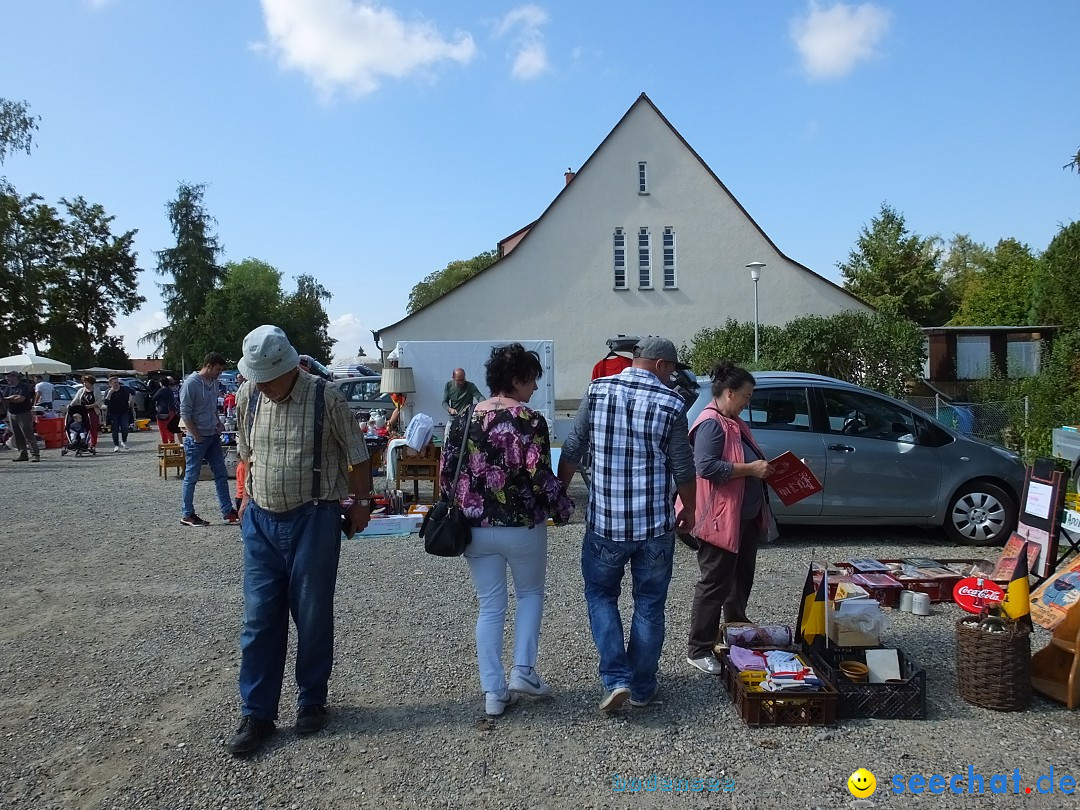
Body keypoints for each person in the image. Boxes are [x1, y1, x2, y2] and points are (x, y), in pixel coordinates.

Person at [226, 325, 371, 756]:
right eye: (258, 378)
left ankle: (311, 701)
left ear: (290, 367)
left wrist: (361, 503)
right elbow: (245, 451)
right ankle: (257, 713)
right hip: (261, 522)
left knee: (311, 615)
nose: (264, 385)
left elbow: (358, 456)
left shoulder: (327, 398)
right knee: (258, 621)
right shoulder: (249, 396)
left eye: (269, 377)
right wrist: (244, 498)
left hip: (315, 517)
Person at [557, 337, 696, 711]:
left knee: (601, 596)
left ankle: (616, 678)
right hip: (654, 526)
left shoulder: (599, 391)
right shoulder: (672, 404)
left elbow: (572, 447)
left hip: (606, 523)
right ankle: (643, 686)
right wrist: (691, 510)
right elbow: (683, 466)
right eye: (672, 370)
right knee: (649, 605)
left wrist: (560, 496)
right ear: (663, 365)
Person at [441, 344, 574, 717]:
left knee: (490, 606)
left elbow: (447, 473)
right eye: (531, 381)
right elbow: (539, 474)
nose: (534, 388)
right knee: (530, 594)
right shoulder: (530, 420)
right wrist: (563, 509)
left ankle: (494, 693)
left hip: (474, 527)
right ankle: (524, 671)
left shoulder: (463, 418)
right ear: (516, 380)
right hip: (521, 525)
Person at [683, 361, 775, 675]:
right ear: (730, 393)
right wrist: (751, 469)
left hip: (742, 518)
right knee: (714, 584)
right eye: (746, 396)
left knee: (740, 579)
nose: (748, 402)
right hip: (719, 520)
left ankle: (734, 629)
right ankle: (698, 648)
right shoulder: (711, 423)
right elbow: (705, 466)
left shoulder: (733, 421)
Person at [179, 353, 237, 527]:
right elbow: (185, 412)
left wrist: (218, 423)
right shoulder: (191, 384)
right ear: (209, 366)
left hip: (212, 435)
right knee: (191, 476)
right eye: (218, 369)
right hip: (197, 438)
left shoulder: (213, 383)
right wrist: (196, 435)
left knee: (221, 474)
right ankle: (187, 513)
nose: (219, 373)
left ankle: (227, 511)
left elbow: (212, 407)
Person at [2, 370, 40, 462]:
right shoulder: (8, 388)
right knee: (17, 435)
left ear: (15, 377)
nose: (7, 378)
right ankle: (23, 454)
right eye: (7, 376)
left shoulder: (23, 387)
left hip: (24, 413)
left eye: (9, 376)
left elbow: (20, 399)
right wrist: (12, 397)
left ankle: (35, 454)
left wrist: (10, 398)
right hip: (12, 413)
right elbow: (3, 399)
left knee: (28, 434)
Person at [103, 375, 135, 452]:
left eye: (117, 382)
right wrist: (110, 393)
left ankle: (124, 441)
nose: (117, 384)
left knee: (125, 428)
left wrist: (131, 402)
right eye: (114, 383)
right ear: (110, 384)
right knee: (115, 429)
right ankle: (116, 445)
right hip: (113, 413)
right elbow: (106, 402)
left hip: (124, 411)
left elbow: (133, 392)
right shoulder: (108, 391)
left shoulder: (124, 389)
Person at [73, 375, 101, 450]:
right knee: (82, 427)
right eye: (84, 382)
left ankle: (92, 444)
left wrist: (90, 406)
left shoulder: (96, 390)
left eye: (86, 382)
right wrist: (71, 405)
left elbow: (99, 402)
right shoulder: (81, 390)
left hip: (93, 410)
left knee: (93, 428)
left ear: (91, 382)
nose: (85, 384)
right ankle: (82, 442)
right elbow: (76, 399)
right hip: (82, 411)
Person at [152, 377, 177, 443]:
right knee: (170, 427)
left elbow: (153, 398)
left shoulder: (161, 390)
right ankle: (172, 440)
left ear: (161, 383)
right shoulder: (170, 390)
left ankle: (165, 442)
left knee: (162, 428)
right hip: (171, 410)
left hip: (162, 411)